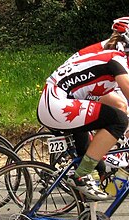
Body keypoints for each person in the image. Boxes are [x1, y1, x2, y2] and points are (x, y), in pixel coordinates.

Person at [37, 49, 129, 201]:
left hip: (60, 102)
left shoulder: (110, 63)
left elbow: (116, 103)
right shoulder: (116, 61)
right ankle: (80, 175)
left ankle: (90, 218)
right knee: (119, 120)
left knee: (99, 166)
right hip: (56, 104)